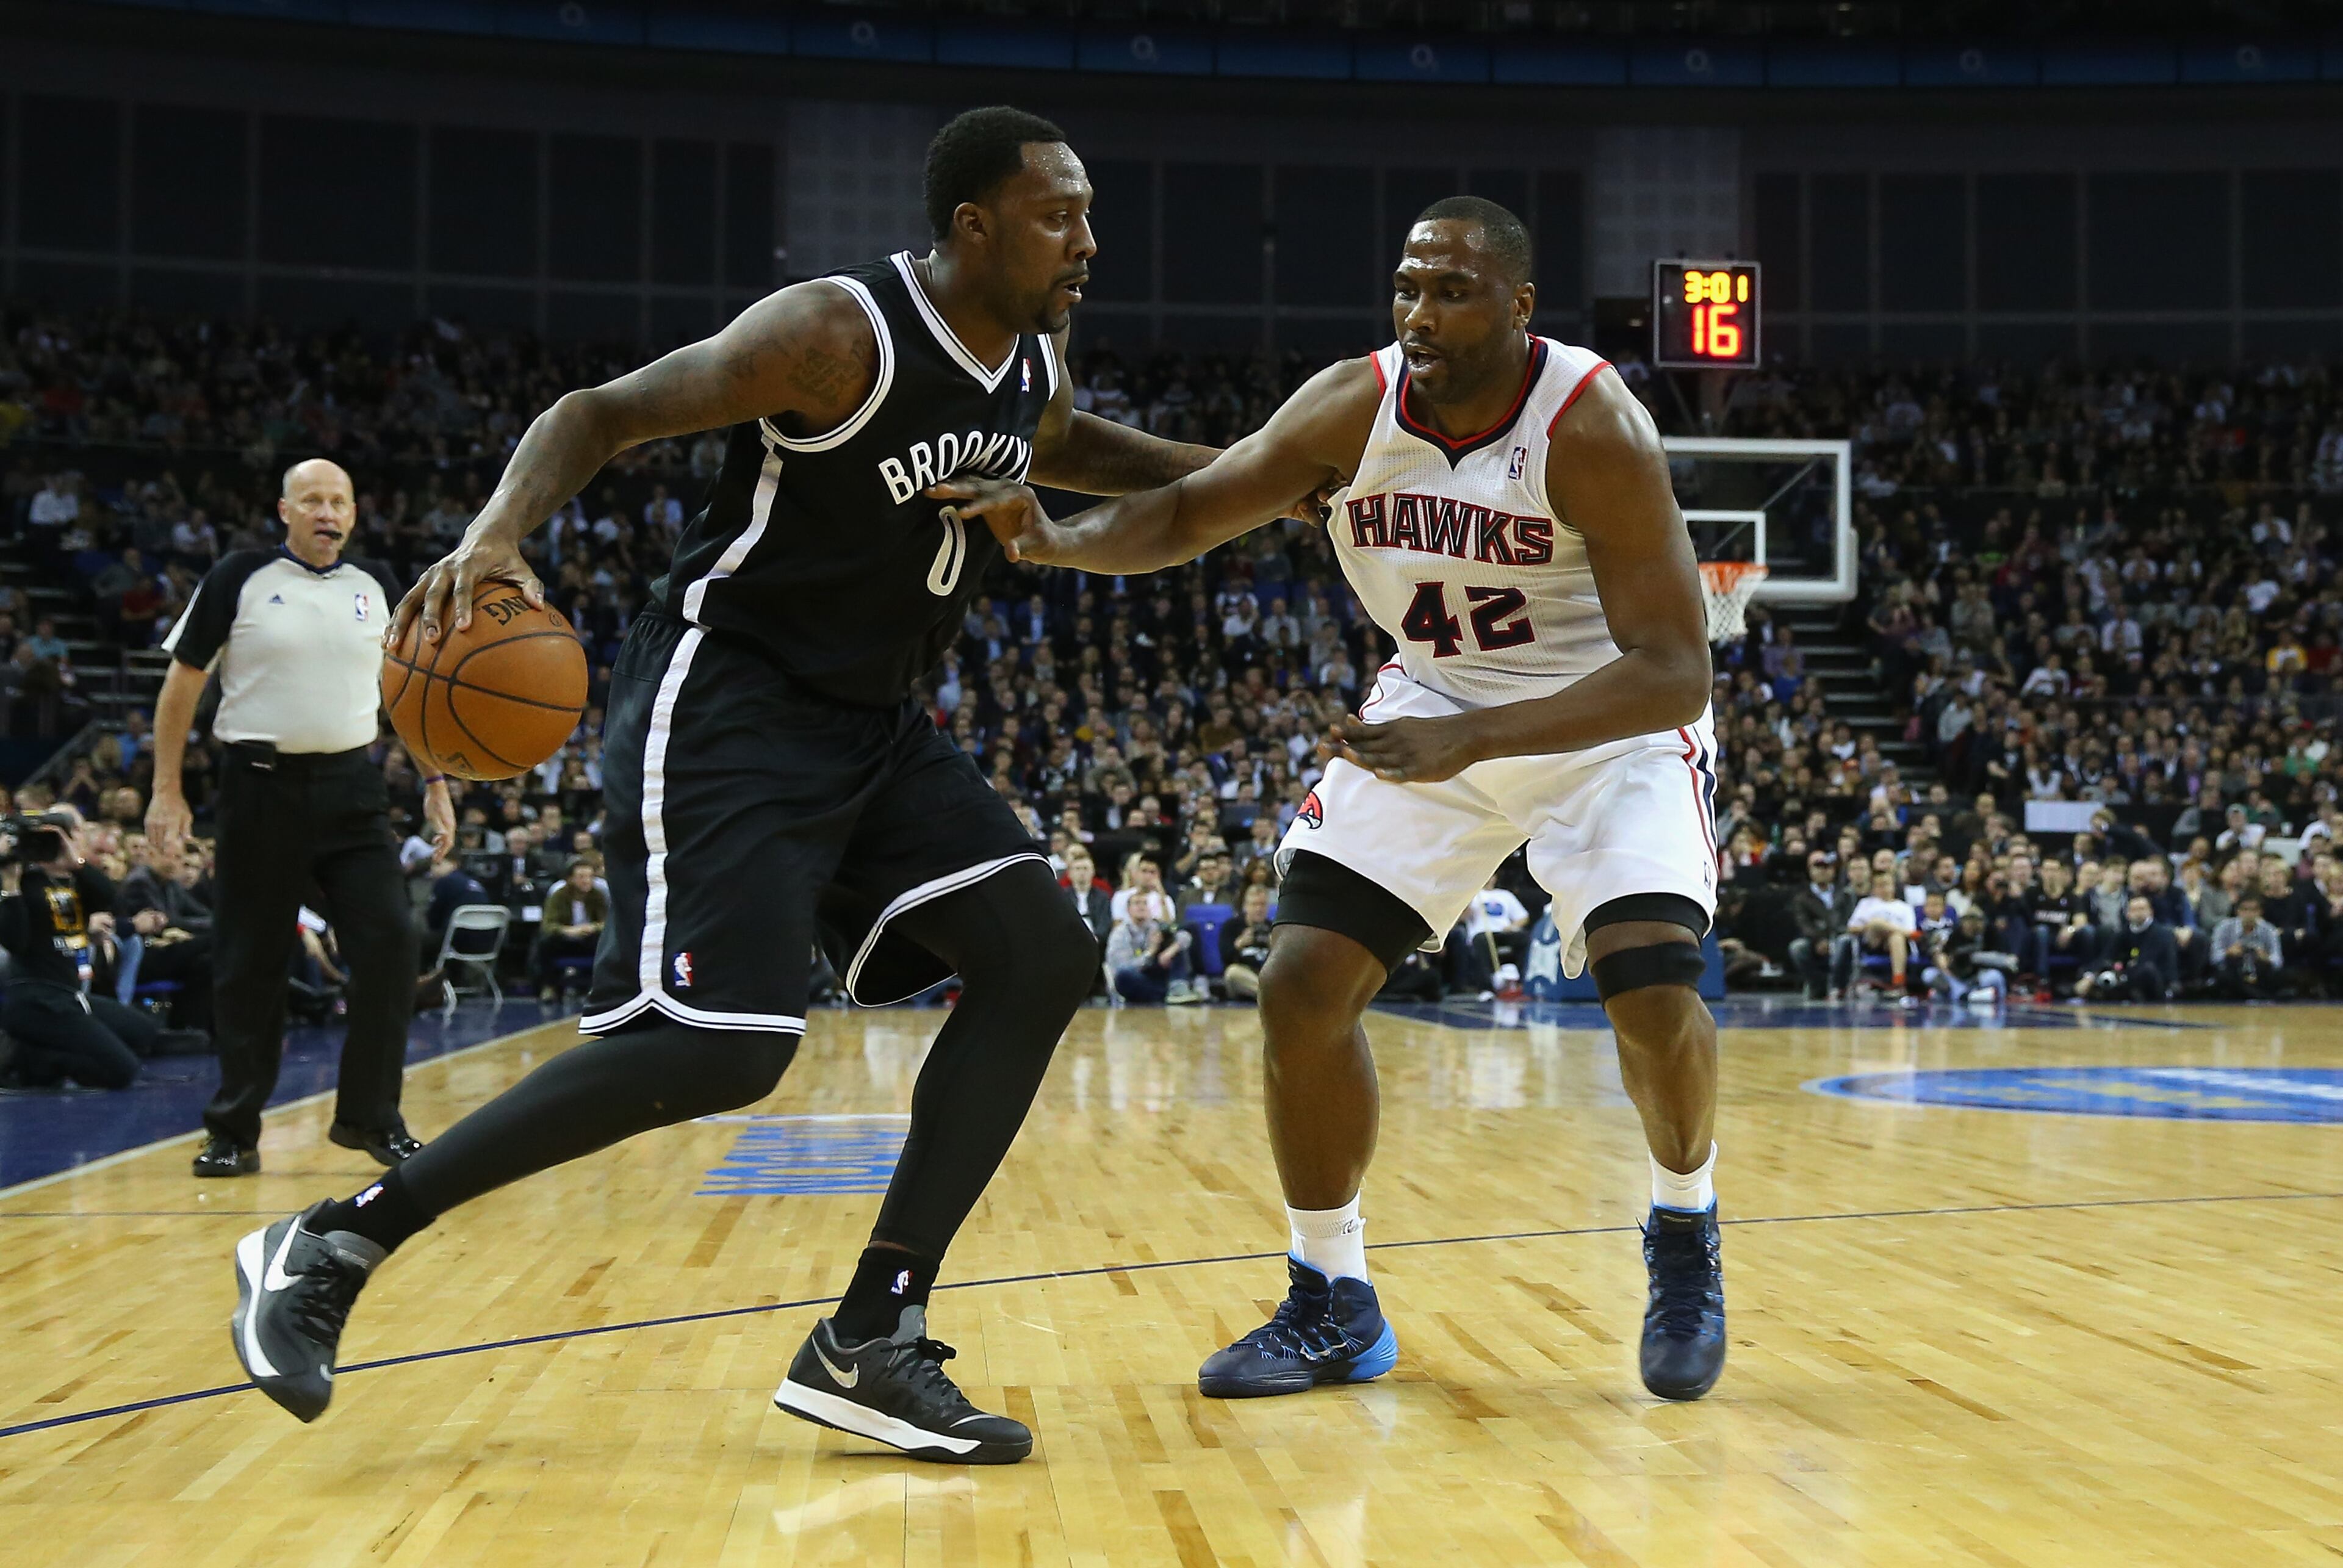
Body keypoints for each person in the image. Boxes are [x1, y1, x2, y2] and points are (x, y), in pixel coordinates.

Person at [229, 107, 1242, 1465]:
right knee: (727, 1045)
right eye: (1060, 214)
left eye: (1090, 211)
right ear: (973, 227)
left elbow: (1069, 441)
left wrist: (1255, 478)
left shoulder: (1031, 352)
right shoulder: (834, 334)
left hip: (878, 723)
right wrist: (496, 530)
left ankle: (869, 1336)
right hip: (731, 701)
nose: (1089, 240)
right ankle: (337, 1239)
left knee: (1037, 953)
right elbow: (600, 412)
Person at [940, 196, 1731, 1401]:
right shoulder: (1352, 405)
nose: (1421, 311)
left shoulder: (1591, 425)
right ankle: (1332, 1296)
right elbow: (1191, 511)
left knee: (1651, 989)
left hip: (1603, 722)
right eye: (1408, 285)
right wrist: (1057, 540)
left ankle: (1685, 1221)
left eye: (1453, 289)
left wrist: (1479, 735)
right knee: (1303, 979)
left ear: (1520, 308)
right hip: (1436, 703)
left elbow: (1678, 666)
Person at [148, 459, 451, 1177]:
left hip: (353, 788)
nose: (327, 511)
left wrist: (435, 778)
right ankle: (233, 1129)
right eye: (312, 499)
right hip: (258, 787)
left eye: (339, 500)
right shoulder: (238, 576)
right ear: (284, 511)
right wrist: (167, 788)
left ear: (354, 514)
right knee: (249, 962)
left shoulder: (377, 586)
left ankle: (372, 1117)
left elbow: (402, 691)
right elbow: (181, 683)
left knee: (392, 939)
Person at [0, 814, 165, 1088]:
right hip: (37, 1000)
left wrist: (76, 862)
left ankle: (37, 1050)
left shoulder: (75, 881)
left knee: (145, 1033)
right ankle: (29, 1060)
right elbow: (16, 942)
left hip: (72, 995)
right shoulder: (23, 883)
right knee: (122, 1071)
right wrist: (10, 885)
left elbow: (114, 900)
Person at [1832, 869, 1918, 1002]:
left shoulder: (1904, 907)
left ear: (1893, 886)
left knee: (1896, 937)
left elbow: (1910, 932)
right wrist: (1872, 927)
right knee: (1876, 922)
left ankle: (1898, 983)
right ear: (1874, 888)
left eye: (1887, 884)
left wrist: (1889, 930)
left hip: (1896, 945)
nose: (1884, 888)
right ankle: (1885, 928)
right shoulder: (1866, 904)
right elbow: (1852, 928)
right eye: (1880, 885)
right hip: (1872, 942)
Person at [1107, 883, 1199, 1004]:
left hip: (1158, 975)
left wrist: (1171, 950)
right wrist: (1151, 952)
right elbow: (1123, 967)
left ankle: (1178, 988)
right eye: (1137, 903)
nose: (1142, 907)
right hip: (1138, 977)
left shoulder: (1157, 926)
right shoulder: (1120, 934)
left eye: (1145, 903)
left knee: (1187, 932)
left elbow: (1185, 937)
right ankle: (1167, 995)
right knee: (1124, 977)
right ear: (1129, 910)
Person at [2078, 894, 2181, 1002]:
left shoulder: (2161, 934)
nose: (2138, 914)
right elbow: (2107, 956)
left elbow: (2147, 963)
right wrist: (2089, 977)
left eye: (2142, 909)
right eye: (2134, 910)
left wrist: (2120, 974)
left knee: (2146, 971)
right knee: (2089, 971)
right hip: (2128, 977)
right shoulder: (2124, 933)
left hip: (2157, 983)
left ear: (2151, 912)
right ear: (2128, 914)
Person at [533, 858, 607, 1001]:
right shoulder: (558, 896)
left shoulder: (598, 896)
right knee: (545, 942)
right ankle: (549, 987)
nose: (587, 881)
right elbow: (548, 925)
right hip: (565, 939)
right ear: (570, 879)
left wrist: (593, 927)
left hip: (588, 938)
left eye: (590, 877)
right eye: (581, 877)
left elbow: (607, 922)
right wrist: (568, 931)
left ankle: (598, 986)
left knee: (603, 941)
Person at [1787, 850, 1849, 999]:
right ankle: (1818, 984)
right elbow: (1804, 924)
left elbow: (1848, 918)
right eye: (1818, 868)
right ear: (1810, 871)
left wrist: (1836, 935)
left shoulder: (1844, 894)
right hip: (1815, 940)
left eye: (1826, 868)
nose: (1823, 872)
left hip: (1840, 936)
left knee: (1845, 942)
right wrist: (1819, 940)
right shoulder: (1802, 898)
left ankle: (1839, 986)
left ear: (1833, 870)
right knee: (1797, 948)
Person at [1461, 872, 1533, 996]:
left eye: (1491, 875)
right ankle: (1486, 989)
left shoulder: (1505, 895)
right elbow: (1462, 918)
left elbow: (1524, 917)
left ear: (1495, 878)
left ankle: (1521, 983)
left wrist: (1513, 926)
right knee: (1480, 941)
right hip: (1482, 935)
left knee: (1525, 938)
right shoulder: (1473, 895)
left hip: (1503, 932)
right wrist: (1466, 904)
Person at [2208, 895, 2286, 1000]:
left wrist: (2266, 958)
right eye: (2245, 909)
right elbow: (2214, 957)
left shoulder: (2269, 930)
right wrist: (2228, 952)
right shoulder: (2224, 927)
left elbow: (2278, 960)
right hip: (2233, 971)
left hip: (2259, 971)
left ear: (2260, 912)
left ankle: (2250, 994)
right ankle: (2258, 996)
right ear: (2238, 911)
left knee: (2280, 977)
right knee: (2223, 977)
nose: (2249, 914)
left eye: (2253, 910)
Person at [1219, 882, 1276, 1000]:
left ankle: (1268, 996)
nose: (1259, 909)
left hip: (1266, 975)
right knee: (1233, 973)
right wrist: (1239, 944)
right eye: (1255, 904)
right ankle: (1273, 997)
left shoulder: (1274, 927)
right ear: (1245, 906)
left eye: (1263, 905)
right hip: (1244, 975)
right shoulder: (1232, 926)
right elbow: (1225, 959)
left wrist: (1275, 947)